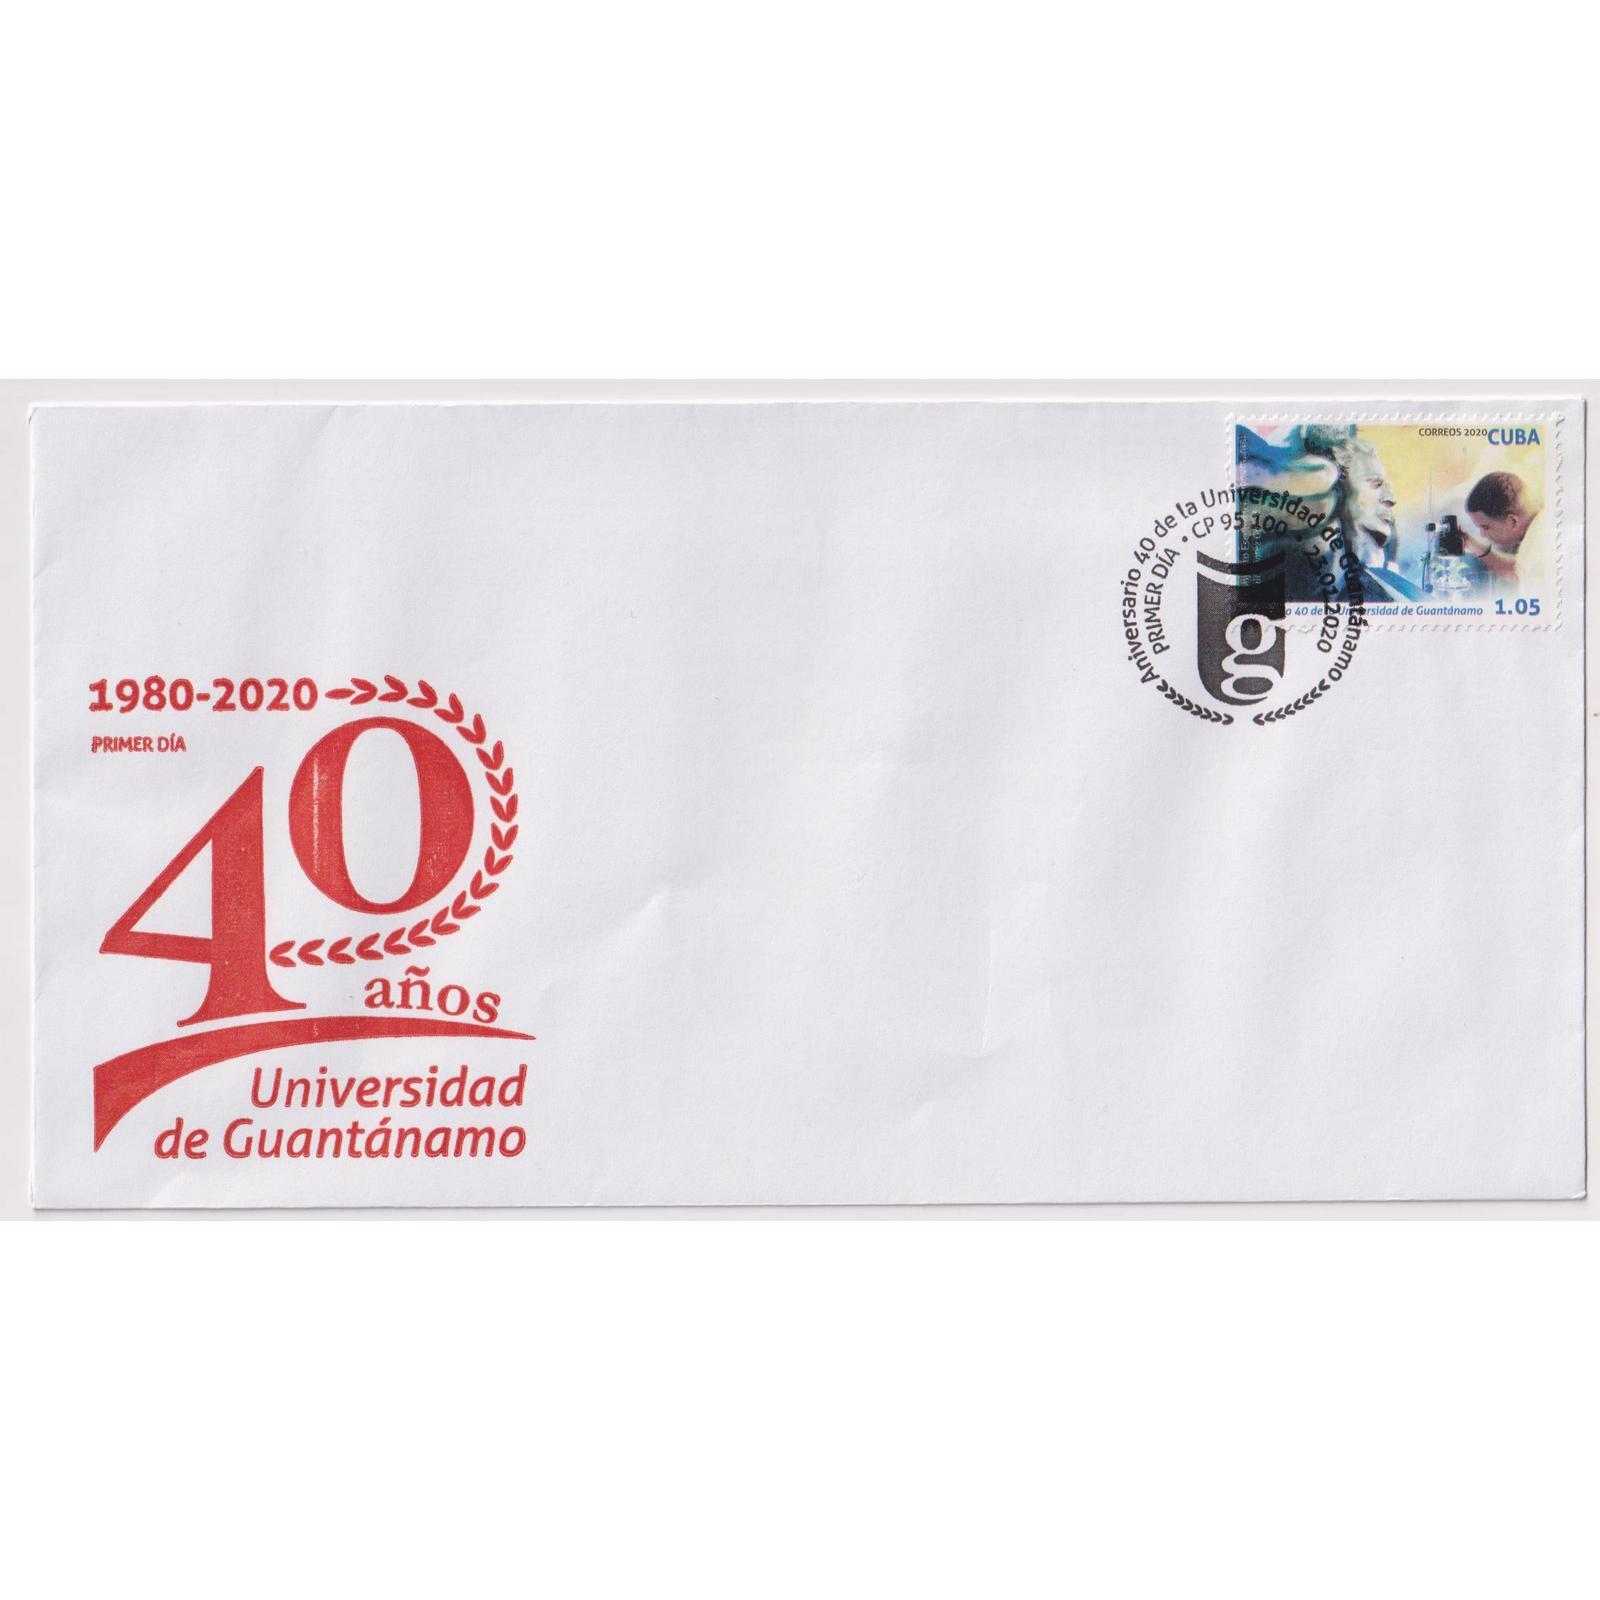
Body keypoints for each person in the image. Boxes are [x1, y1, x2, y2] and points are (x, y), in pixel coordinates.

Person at [1462, 471, 1542, 587]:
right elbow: (1517, 570)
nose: (1482, 534)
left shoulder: (1540, 550)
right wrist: (1471, 544)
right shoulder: (1536, 532)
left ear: (1512, 521)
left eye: (1485, 527)